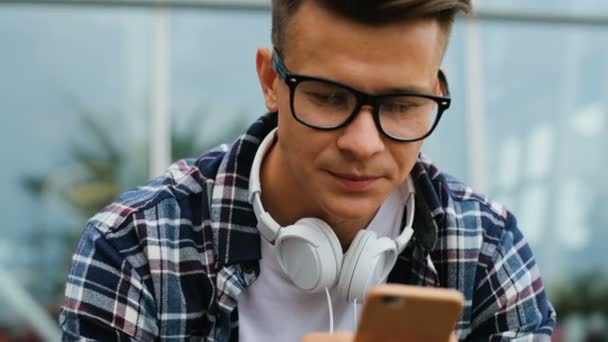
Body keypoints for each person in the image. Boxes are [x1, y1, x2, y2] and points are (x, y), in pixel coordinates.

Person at [59, 0, 556, 341]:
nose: (362, 144)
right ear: (270, 80)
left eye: (403, 104)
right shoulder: (136, 246)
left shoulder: (487, 247)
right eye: (329, 97)